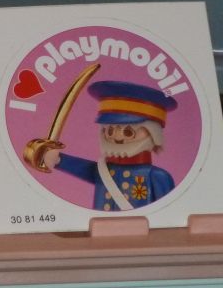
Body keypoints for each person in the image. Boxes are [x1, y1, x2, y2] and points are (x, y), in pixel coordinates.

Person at [37, 80, 177, 211]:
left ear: (153, 133)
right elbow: (83, 168)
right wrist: (57, 159)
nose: (117, 137)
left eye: (128, 132)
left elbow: (169, 213)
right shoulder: (103, 170)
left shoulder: (158, 177)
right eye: (110, 131)